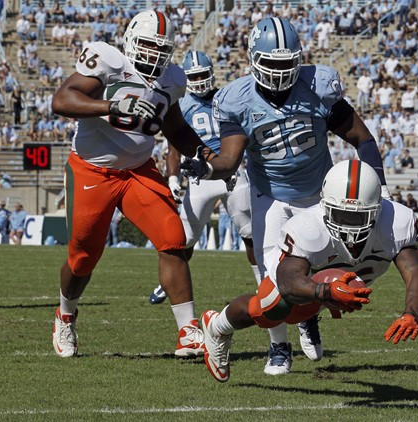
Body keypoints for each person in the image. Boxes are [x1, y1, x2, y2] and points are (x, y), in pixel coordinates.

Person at [180, 17, 390, 376]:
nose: (278, 74)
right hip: (272, 196)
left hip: (321, 195)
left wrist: (381, 187)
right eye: (271, 64)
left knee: (328, 268)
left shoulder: (319, 86)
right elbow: (229, 160)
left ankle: (308, 317)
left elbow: (363, 139)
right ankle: (279, 346)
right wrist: (208, 168)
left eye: (285, 64)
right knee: (272, 280)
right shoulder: (237, 99)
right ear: (253, 60)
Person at [50, 11, 210, 359]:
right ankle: (65, 315)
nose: (153, 56)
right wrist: (110, 104)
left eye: (161, 49)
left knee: (173, 237)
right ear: (131, 40)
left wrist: (203, 152)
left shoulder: (172, 79)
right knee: (82, 259)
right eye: (148, 46)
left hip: (138, 170)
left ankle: (188, 330)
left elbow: (176, 128)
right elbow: (61, 100)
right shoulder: (107, 61)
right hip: (93, 170)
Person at [199, 160, 418, 382]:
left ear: (377, 210)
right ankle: (217, 326)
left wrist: (412, 312)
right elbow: (288, 281)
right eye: (341, 214)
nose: (349, 224)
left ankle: (309, 314)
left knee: (302, 308)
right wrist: (325, 292)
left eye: (358, 216)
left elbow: (416, 272)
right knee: (273, 307)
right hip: (310, 279)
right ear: (325, 206)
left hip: (335, 279)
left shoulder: (396, 221)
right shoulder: (307, 226)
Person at [149, 50, 258, 305]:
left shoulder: (227, 98)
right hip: (200, 178)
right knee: (185, 238)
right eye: (193, 76)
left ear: (211, 73)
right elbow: (174, 149)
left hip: (231, 173)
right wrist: (173, 179)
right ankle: (169, 282)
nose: (198, 80)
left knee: (250, 232)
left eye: (201, 74)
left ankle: (264, 282)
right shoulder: (182, 104)